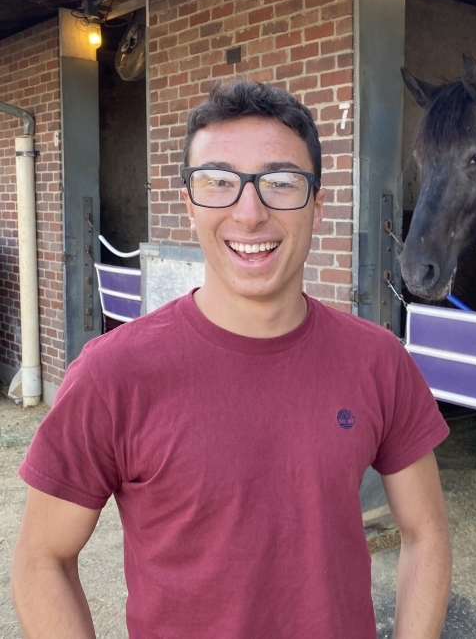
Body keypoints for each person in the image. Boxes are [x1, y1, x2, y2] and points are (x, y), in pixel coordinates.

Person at [12, 81, 451, 639]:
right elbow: (41, 560)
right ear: (189, 205)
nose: (250, 213)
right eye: (219, 182)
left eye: (281, 183)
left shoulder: (379, 361)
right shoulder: (112, 375)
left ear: (316, 206)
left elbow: (425, 533)